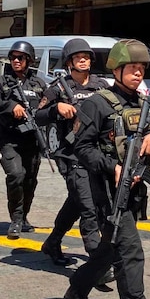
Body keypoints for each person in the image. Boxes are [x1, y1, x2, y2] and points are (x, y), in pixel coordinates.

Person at [67, 39, 150, 299]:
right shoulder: (96, 104)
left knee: (107, 253)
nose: (138, 73)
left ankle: (76, 289)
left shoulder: (143, 104)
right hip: (104, 191)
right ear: (117, 70)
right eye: (132, 68)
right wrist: (113, 167)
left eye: (142, 68)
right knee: (130, 255)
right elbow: (82, 148)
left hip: (133, 192)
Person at [35, 38, 108, 266]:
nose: (83, 60)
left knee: (77, 201)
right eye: (78, 57)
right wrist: (56, 108)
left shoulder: (101, 85)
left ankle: (53, 242)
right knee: (88, 208)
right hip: (70, 153)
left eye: (86, 57)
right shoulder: (58, 87)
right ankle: (97, 265)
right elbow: (38, 115)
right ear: (70, 62)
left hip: (96, 152)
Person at [0, 41, 47, 238]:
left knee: (30, 180)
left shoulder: (38, 84)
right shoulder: (2, 82)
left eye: (20, 58)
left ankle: (23, 216)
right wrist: (11, 106)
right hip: (9, 138)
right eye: (13, 58)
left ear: (29, 60)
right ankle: (15, 218)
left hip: (32, 139)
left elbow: (47, 107)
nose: (16, 61)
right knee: (15, 176)